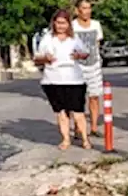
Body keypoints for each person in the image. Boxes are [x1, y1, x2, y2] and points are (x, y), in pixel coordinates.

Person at [34, 9, 92, 150]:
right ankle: (66, 139)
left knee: (78, 112)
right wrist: (45, 59)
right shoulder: (47, 38)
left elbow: (85, 53)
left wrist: (79, 56)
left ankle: (85, 139)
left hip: (74, 79)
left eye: (64, 23)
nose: (61, 26)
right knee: (61, 112)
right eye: (58, 23)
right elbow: (37, 58)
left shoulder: (74, 39)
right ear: (54, 23)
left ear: (68, 24)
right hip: (53, 79)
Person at [72, 0, 106, 136]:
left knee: (94, 97)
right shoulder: (72, 26)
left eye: (89, 8)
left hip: (94, 65)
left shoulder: (96, 25)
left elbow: (97, 43)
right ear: (77, 10)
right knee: (77, 98)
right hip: (77, 67)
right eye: (84, 8)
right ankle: (78, 128)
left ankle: (93, 127)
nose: (87, 11)